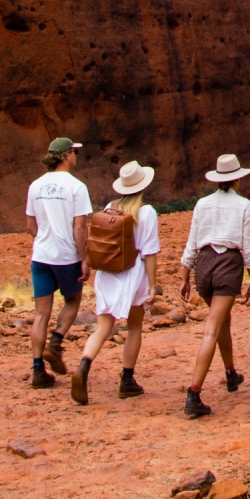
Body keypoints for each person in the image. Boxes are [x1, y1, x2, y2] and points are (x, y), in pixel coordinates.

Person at [71, 160, 161, 404]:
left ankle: (83, 366)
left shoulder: (110, 208)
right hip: (133, 275)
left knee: (102, 327)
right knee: (134, 327)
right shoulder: (146, 212)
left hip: (107, 275)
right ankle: (127, 380)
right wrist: (152, 285)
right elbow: (149, 252)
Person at [177, 154, 250, 418]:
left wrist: (184, 276)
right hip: (228, 266)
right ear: (237, 178)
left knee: (222, 320)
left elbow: (192, 242)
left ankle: (231, 373)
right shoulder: (245, 205)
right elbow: (249, 247)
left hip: (203, 266)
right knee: (212, 328)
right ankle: (194, 392)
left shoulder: (202, 204)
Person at [24, 136, 91, 389]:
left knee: (41, 313)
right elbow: (80, 227)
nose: (76, 156)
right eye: (75, 151)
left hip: (41, 255)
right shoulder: (76, 187)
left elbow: (31, 226)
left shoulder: (35, 186)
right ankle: (56, 341)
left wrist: (45, 240)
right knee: (73, 300)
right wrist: (84, 259)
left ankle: (38, 370)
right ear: (65, 155)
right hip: (66, 257)